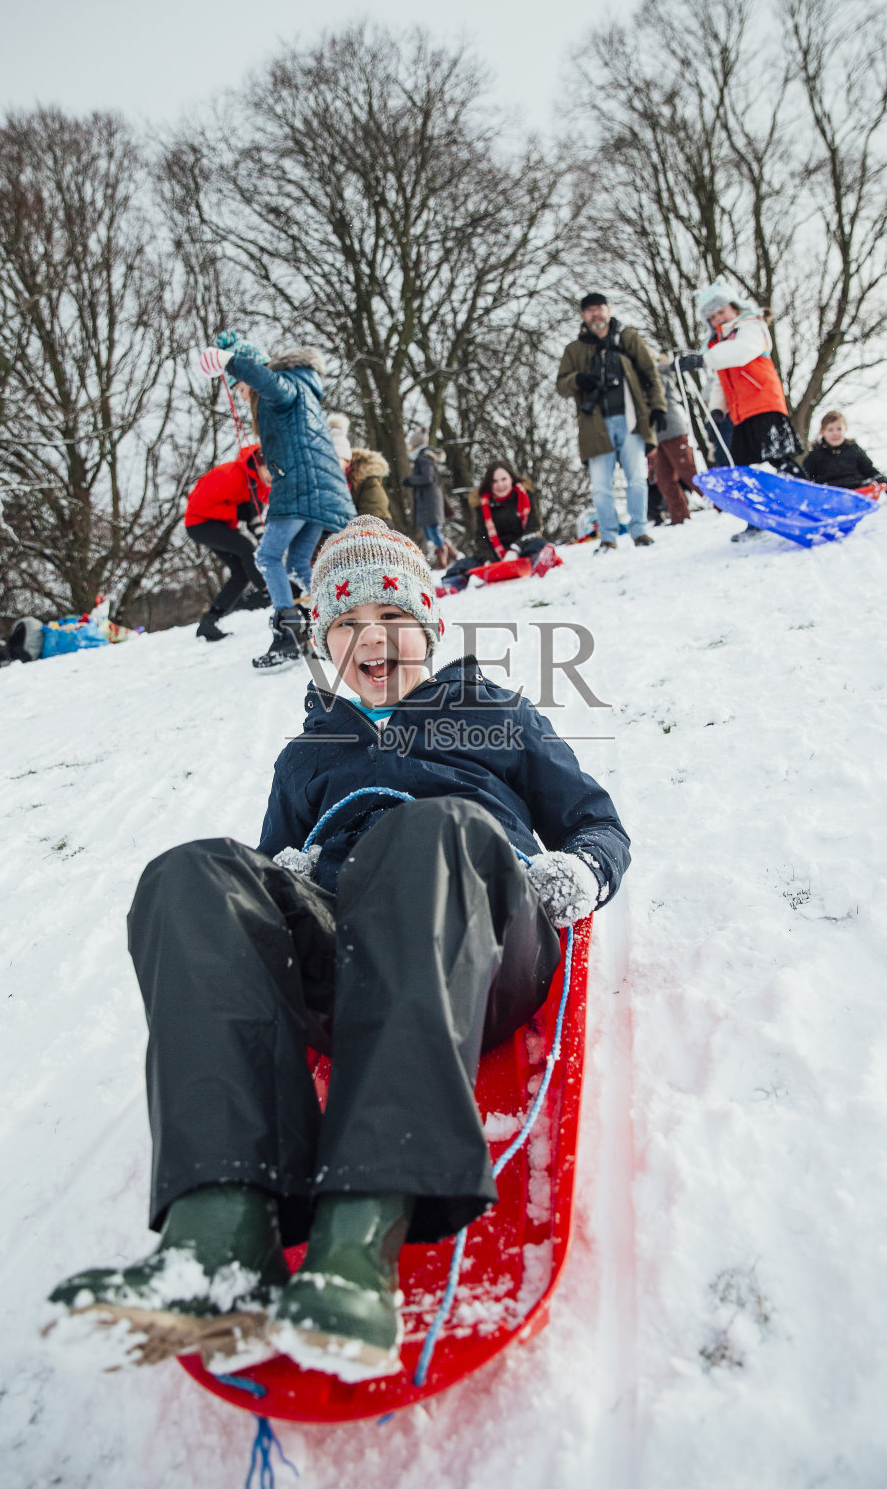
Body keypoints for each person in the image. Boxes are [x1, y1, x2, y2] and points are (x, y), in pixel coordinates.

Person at [46, 517, 630, 1380]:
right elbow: (252, 906)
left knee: (424, 830)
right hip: (350, 950)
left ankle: (358, 1244)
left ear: (426, 627)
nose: (372, 640)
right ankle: (218, 1239)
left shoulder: (492, 712)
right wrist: (279, 875)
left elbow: (594, 821)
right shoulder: (308, 753)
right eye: (347, 626)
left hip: (480, 930)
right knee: (193, 872)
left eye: (391, 620)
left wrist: (576, 873)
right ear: (326, 642)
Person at [196, 337, 356, 670]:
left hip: (300, 485)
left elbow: (267, 382)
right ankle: (340, 614)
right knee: (298, 561)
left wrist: (230, 361)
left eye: (241, 388)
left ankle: (290, 635)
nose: (241, 395)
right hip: (318, 486)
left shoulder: (282, 388)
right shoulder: (301, 390)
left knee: (267, 557)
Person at [676, 280, 802, 541]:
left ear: (734, 307)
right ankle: (756, 520)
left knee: (777, 456)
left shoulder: (750, 326)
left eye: (721, 311)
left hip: (764, 403)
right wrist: (717, 410)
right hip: (740, 413)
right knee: (741, 467)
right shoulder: (718, 345)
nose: (717, 318)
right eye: (711, 316)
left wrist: (702, 360)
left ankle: (804, 497)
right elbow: (723, 382)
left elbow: (742, 353)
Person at [556, 294, 666, 553]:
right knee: (601, 486)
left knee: (637, 478)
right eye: (590, 310)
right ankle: (607, 536)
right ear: (583, 315)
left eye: (599, 308)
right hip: (595, 426)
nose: (596, 314)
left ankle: (639, 530)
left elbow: (651, 373)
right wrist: (578, 379)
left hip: (631, 420)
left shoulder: (628, 338)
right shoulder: (574, 349)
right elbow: (561, 385)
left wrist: (659, 407)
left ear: (608, 310)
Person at [185, 443, 272, 641]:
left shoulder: (262, 487)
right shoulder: (229, 474)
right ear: (259, 463)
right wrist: (235, 512)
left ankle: (209, 621)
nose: (272, 477)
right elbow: (197, 505)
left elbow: (254, 518)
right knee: (245, 548)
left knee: (241, 572)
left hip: (223, 525)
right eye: (269, 469)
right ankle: (267, 592)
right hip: (199, 523)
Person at [442, 459, 556, 589]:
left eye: (503, 479)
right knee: (465, 564)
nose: (500, 485)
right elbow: (482, 537)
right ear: (489, 484)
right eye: (495, 481)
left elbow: (534, 528)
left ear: (511, 479)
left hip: (523, 548)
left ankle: (540, 562)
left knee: (539, 544)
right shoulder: (483, 505)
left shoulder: (525, 496)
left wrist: (515, 549)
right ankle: (452, 583)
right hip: (496, 554)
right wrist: (488, 560)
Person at [803, 410, 887, 499]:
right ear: (822, 432)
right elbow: (804, 477)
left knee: (879, 481)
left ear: (845, 429)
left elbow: (869, 470)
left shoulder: (853, 450)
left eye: (839, 429)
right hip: (830, 492)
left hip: (858, 489)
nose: (835, 433)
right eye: (830, 430)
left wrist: (882, 480)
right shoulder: (816, 455)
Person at [652, 357, 701, 525]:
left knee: (688, 471)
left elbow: (653, 397)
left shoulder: (659, 375)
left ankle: (719, 503)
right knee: (664, 479)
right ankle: (679, 515)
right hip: (658, 435)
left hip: (672, 429)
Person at [403, 427, 460, 568]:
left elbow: (426, 478)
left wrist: (411, 480)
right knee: (430, 532)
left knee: (432, 530)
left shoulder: (423, 458)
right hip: (428, 500)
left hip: (429, 500)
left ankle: (444, 560)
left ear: (415, 444)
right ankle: (451, 552)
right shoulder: (424, 457)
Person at [346, 445, 393, 524]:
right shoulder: (370, 480)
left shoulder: (367, 481)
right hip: (381, 522)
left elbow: (370, 510)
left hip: (372, 524)